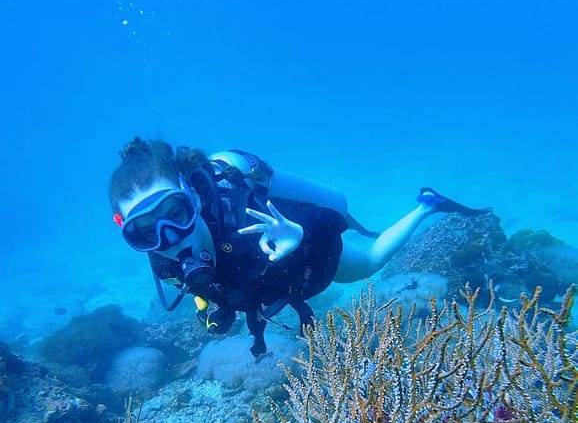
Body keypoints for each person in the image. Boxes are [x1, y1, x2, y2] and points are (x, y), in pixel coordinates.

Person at [109, 138, 489, 357]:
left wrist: (302, 236)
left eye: (175, 212)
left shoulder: (245, 214)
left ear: (192, 195)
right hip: (270, 280)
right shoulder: (163, 264)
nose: (170, 237)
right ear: (129, 234)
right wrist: (208, 307)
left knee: (371, 261)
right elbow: (200, 285)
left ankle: (427, 205)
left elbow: (329, 222)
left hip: (306, 251)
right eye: (145, 232)